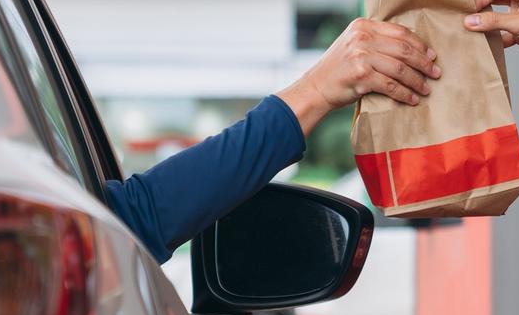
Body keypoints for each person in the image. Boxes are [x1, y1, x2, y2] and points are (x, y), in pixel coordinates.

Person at [107, 18, 441, 262]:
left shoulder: (93, 234)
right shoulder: (99, 234)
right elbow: (137, 217)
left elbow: (133, 218)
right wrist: (314, 91)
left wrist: (316, 91)